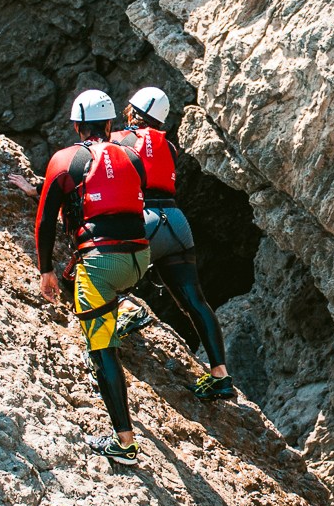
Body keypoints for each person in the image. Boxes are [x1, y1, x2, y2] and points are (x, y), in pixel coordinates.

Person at [34, 90, 151, 466]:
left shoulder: (65, 159)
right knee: (105, 300)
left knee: (102, 351)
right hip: (140, 259)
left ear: (75, 125)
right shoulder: (132, 155)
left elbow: (45, 220)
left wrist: (45, 270)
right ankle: (125, 308)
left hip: (100, 265)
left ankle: (125, 444)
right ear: (110, 124)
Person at [110, 86, 235, 400]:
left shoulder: (119, 141)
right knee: (195, 300)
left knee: (107, 271)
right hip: (177, 222)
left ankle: (125, 308)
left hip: (146, 218)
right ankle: (220, 376)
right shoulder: (171, 147)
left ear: (131, 111)